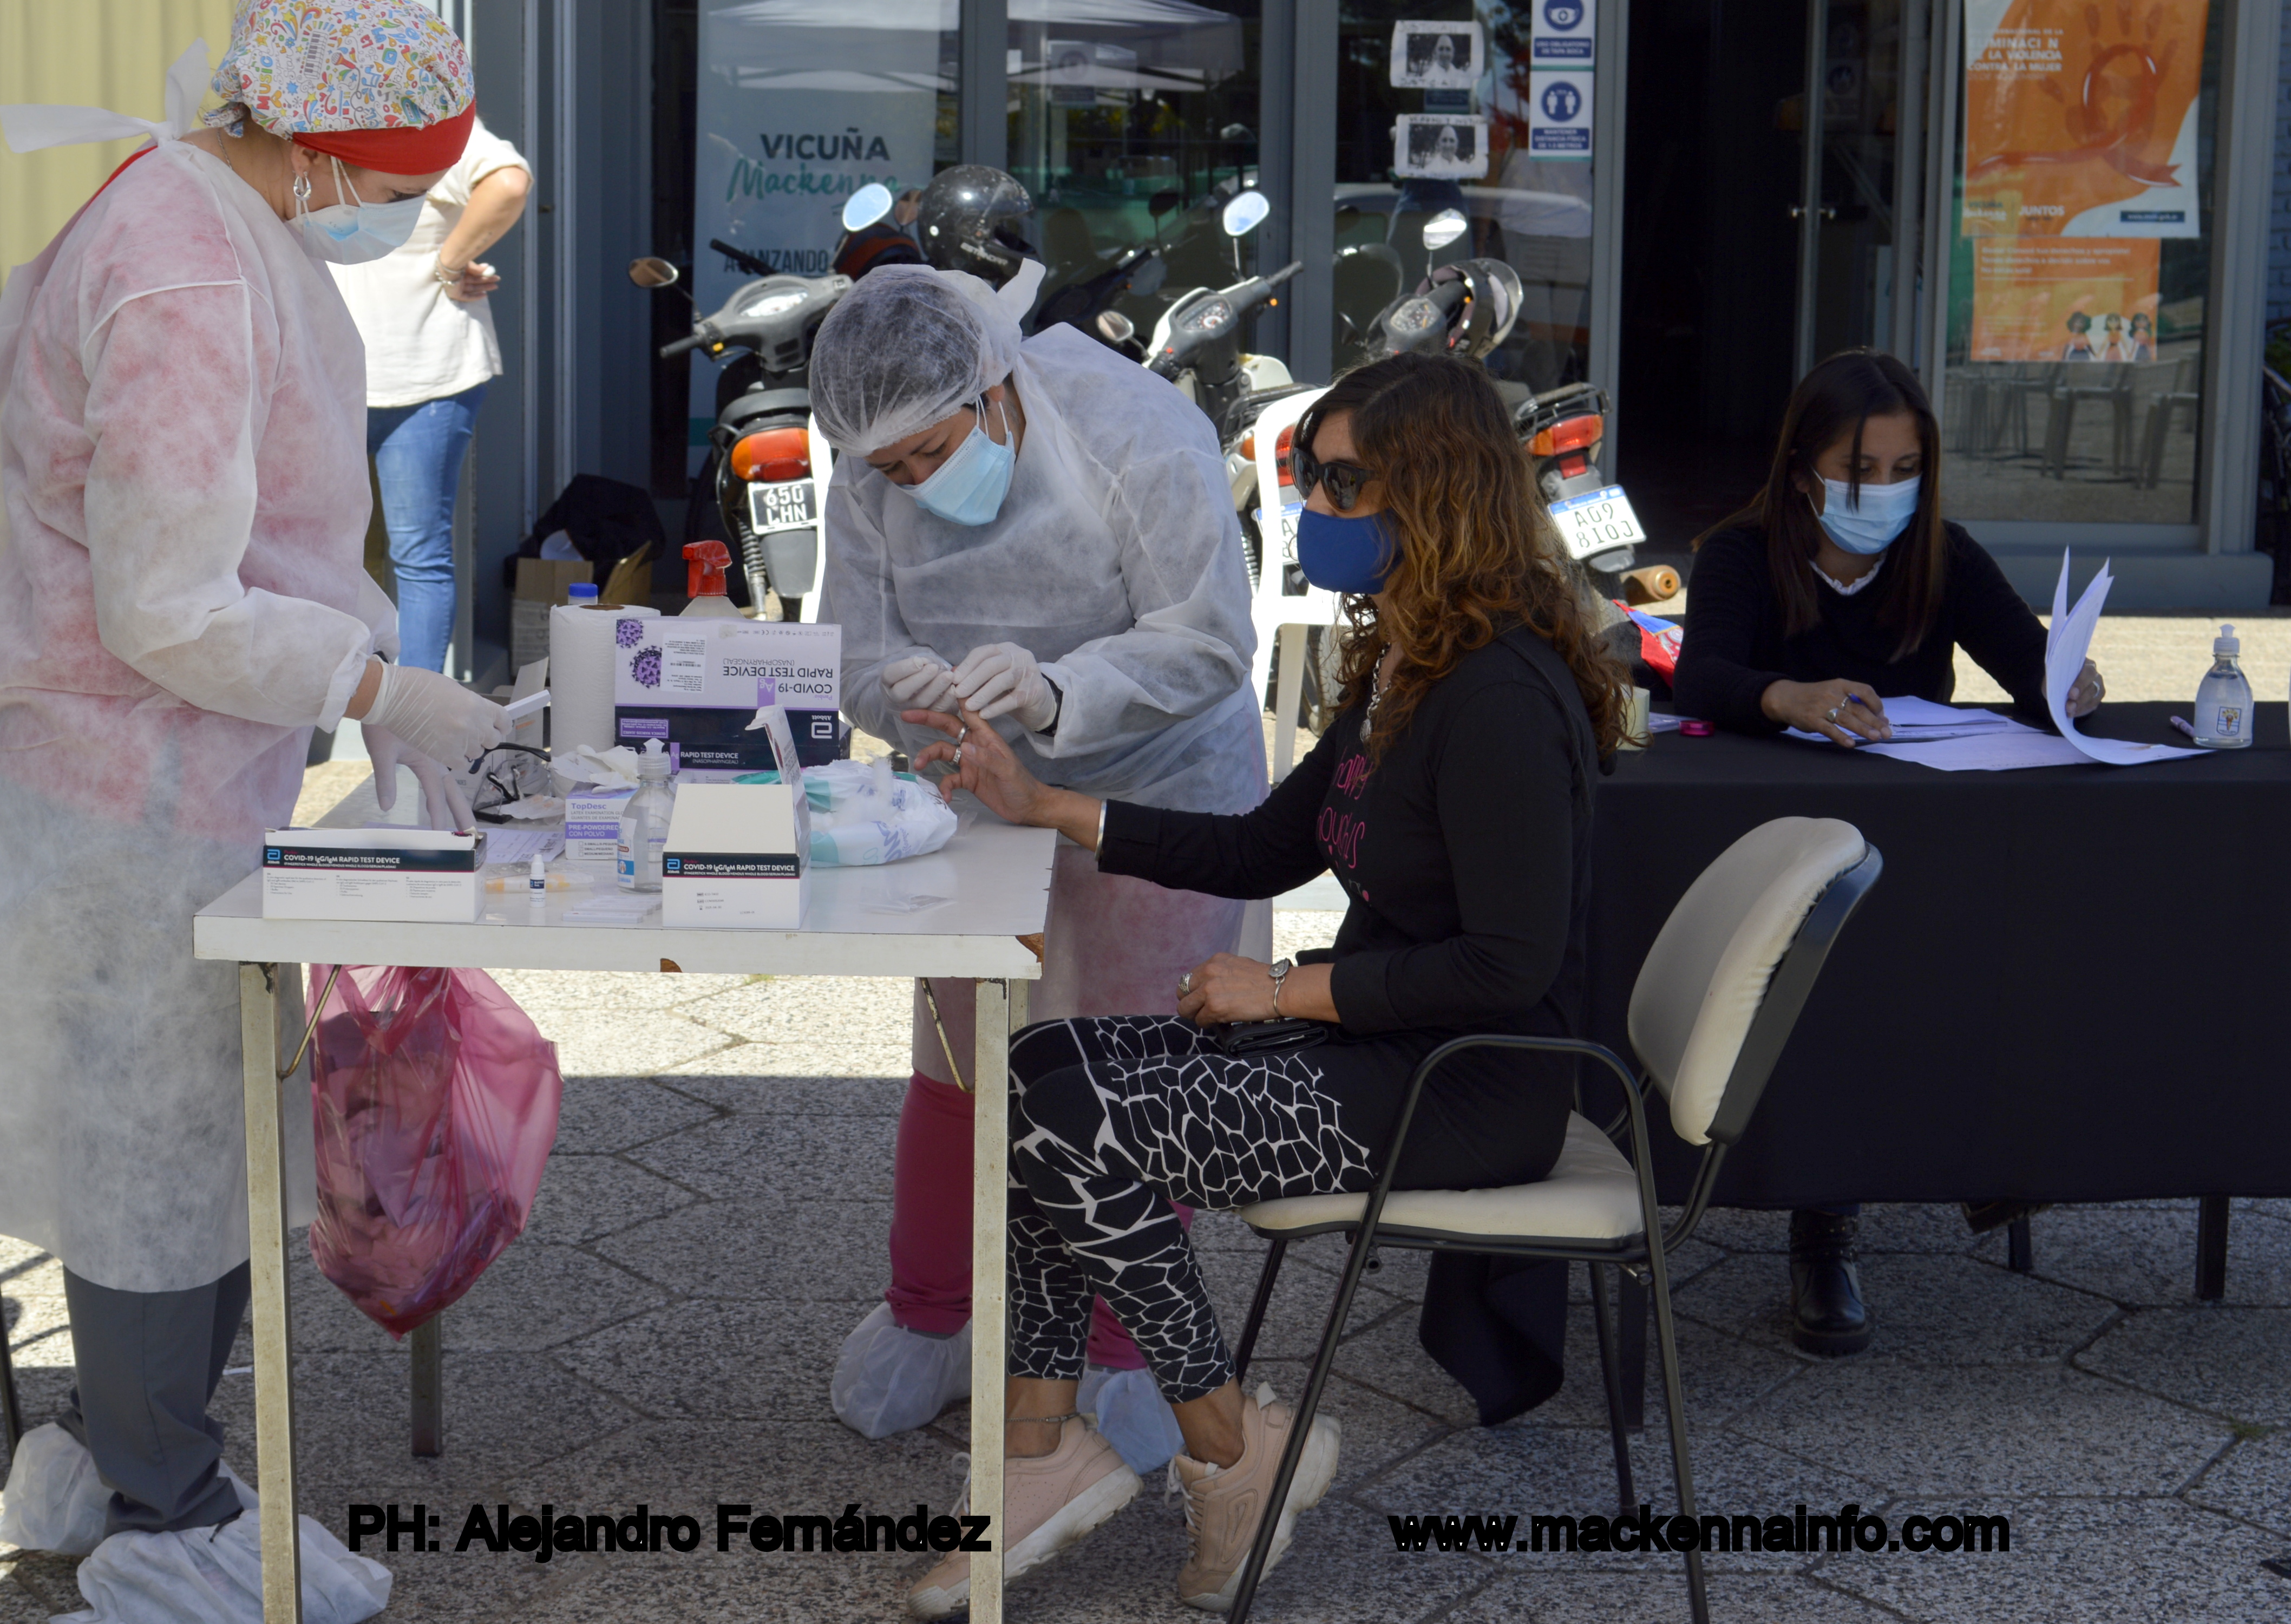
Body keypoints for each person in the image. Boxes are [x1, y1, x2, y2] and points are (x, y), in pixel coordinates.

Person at [0, 9, 506, 1619]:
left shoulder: (199, 209)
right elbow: (169, 601)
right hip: (131, 791)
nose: (388, 218)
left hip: (166, 772)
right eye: (386, 188)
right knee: (156, 1164)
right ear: (316, 150)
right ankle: (161, 1509)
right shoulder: (180, 264)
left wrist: (361, 659)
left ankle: (138, 1456)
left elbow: (263, 539)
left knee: (191, 1142)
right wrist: (383, 691)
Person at [892, 351, 1622, 1616]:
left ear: (1438, 493)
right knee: (1041, 1071)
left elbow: (1511, 963)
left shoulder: (1497, 692)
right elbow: (1256, 842)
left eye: (1344, 482)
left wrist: (1283, 992)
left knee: (1075, 1114)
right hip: (1387, 1046)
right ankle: (1062, 1440)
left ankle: (1219, 1448)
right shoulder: (1411, 660)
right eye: (1310, 476)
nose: (1317, 507)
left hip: (1464, 1082)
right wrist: (1041, 799)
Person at [809, 256, 1268, 1472]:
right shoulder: (872, 459)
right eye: (889, 469)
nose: (909, 481)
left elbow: (1210, 638)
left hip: (1159, 790)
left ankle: (1121, 1354)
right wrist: (891, 689)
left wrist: (1068, 690)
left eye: (926, 454)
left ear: (994, 380)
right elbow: (851, 638)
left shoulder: (1139, 430)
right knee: (962, 1049)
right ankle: (935, 1312)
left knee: (1125, 1082)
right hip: (972, 780)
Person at [1670, 347, 2102, 1355]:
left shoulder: (1940, 553)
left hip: (1922, 841)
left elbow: (2023, 665)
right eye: (1858, 469)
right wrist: (1788, 698)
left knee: (1998, 940)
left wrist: (2066, 687)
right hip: (1782, 849)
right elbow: (1701, 679)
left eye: (1904, 469)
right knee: (1827, 976)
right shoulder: (1742, 552)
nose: (1882, 492)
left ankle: (1983, 1151)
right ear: (1800, 468)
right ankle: (1824, 1218)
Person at [329, 115, 531, 671]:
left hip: (405, 372)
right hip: (404, 371)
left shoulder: (418, 120)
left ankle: (394, 724)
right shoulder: (398, 119)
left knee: (332, 552)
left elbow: (509, 183)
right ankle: (409, 731)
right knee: (416, 558)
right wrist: (449, 263)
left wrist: (447, 264)